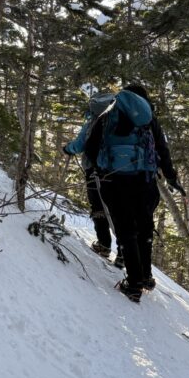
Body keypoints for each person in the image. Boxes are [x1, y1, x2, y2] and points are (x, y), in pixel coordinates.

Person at [69, 82, 185, 302]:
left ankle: (133, 284)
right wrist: (170, 177)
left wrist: (98, 169)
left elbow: (91, 146)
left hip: (114, 180)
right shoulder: (149, 120)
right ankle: (147, 276)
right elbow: (163, 149)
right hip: (146, 181)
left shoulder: (107, 114)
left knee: (125, 230)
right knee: (145, 228)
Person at [63, 92, 120, 264]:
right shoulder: (120, 121)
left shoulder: (94, 122)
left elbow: (80, 144)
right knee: (118, 211)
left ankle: (104, 245)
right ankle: (125, 252)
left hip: (95, 172)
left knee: (98, 207)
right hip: (119, 173)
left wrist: (67, 148)